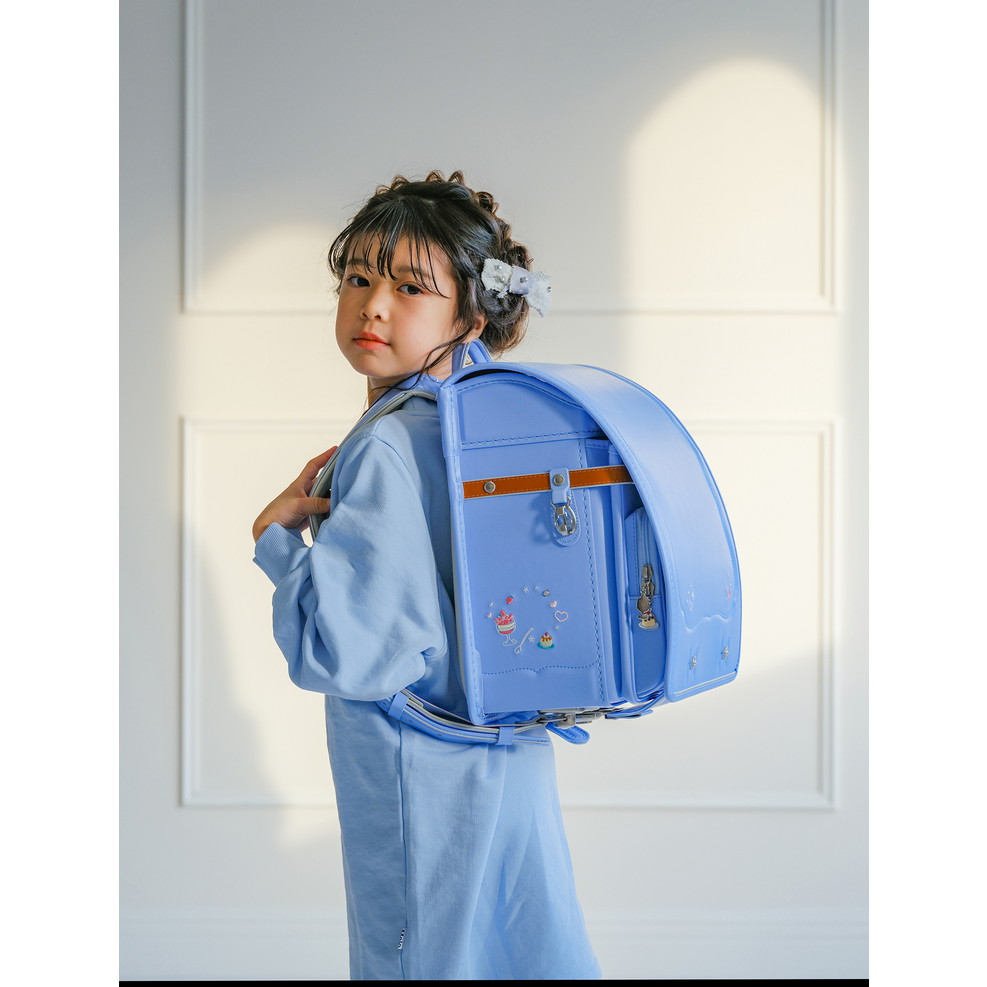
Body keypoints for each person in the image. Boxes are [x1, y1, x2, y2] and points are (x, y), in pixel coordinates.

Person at [252, 171, 601, 981]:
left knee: (418, 955)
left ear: (469, 314)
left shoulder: (384, 443)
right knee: (521, 945)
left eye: (410, 287)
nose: (373, 306)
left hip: (417, 762)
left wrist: (274, 540)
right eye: (357, 278)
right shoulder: (480, 419)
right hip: (505, 741)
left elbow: (349, 652)